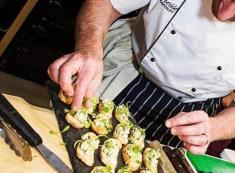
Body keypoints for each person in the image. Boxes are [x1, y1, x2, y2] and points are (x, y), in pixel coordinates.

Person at [48, 0, 235, 154]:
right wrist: (88, 47)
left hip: (190, 113)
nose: (225, 12)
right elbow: (107, 3)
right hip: (130, 68)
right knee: (65, 141)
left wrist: (214, 128)